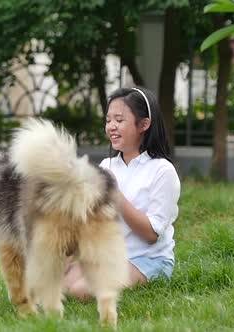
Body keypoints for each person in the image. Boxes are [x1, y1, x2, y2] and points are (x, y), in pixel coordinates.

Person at [64, 86, 180, 301]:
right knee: (60, 285)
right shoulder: (107, 165)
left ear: (144, 124)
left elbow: (151, 235)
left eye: (119, 120)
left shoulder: (162, 171)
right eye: (108, 120)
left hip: (148, 259)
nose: (111, 127)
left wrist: (115, 193)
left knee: (81, 290)